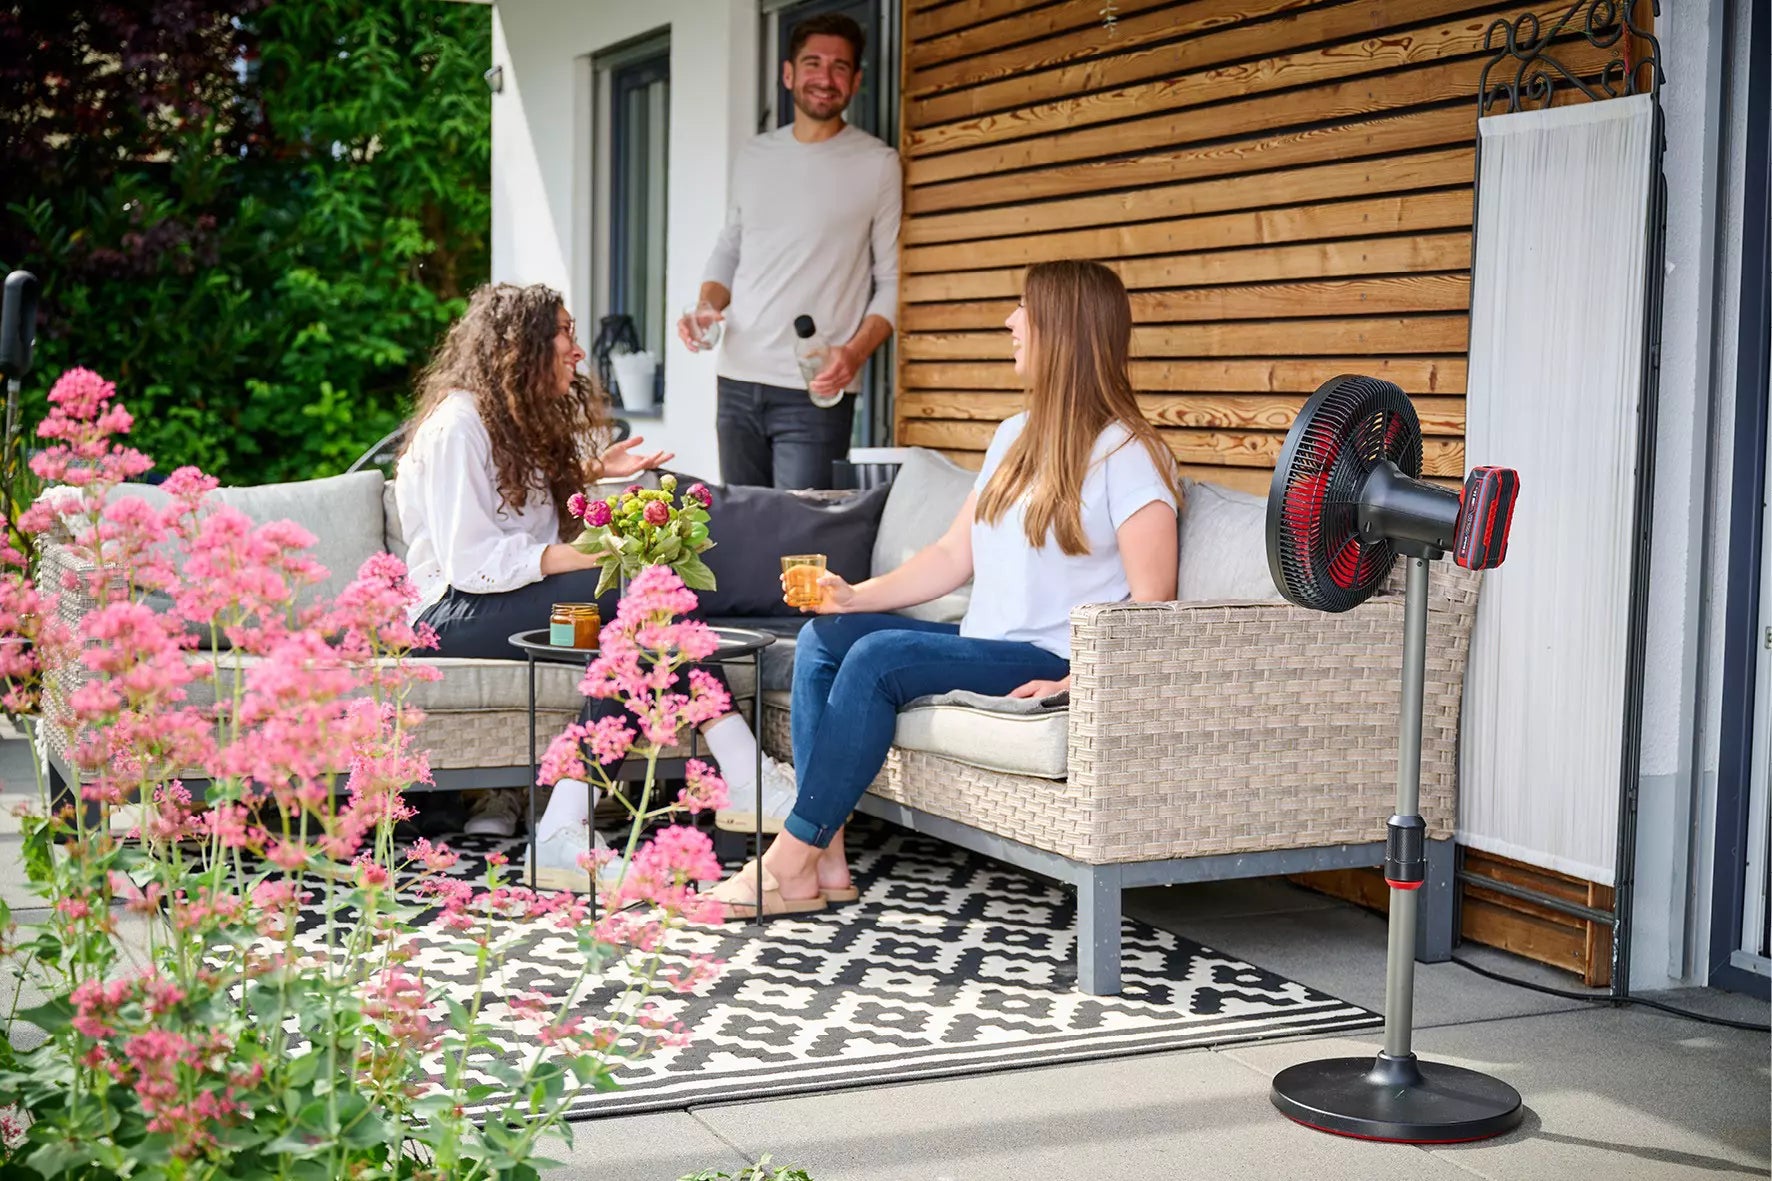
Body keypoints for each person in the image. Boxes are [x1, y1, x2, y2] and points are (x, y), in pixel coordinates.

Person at [706, 260, 1183, 917]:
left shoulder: (1127, 455)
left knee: (877, 658)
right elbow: (952, 554)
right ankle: (828, 858)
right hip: (984, 641)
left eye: (1024, 309)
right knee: (825, 636)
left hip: (1046, 657)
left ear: (1065, 330)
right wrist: (853, 596)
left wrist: (1078, 682)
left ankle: (787, 861)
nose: (1011, 322)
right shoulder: (1015, 437)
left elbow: (1154, 607)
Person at [395, 282, 789, 879]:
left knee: (638, 626)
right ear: (523, 345)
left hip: (492, 602)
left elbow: (517, 502)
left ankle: (566, 827)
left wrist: (592, 470)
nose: (578, 351)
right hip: (446, 616)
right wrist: (595, 553)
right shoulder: (459, 424)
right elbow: (472, 564)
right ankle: (743, 773)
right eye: (565, 334)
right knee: (643, 593)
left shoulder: (508, 421)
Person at [679, 11, 900, 491]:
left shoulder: (879, 165)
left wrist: (854, 355)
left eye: (840, 67)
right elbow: (730, 246)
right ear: (788, 74)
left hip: (815, 389)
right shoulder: (754, 155)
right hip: (737, 380)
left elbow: (892, 282)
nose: (825, 77)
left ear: (856, 81)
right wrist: (706, 306)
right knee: (742, 519)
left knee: (801, 525)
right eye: (813, 63)